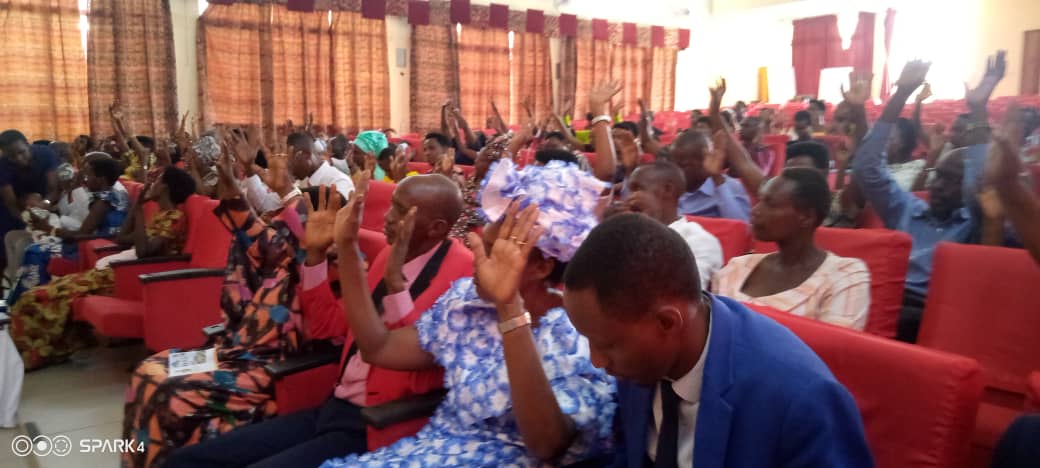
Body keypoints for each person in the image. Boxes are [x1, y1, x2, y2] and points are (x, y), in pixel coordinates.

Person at [163, 174, 475, 468]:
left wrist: (396, 287)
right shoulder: (387, 254)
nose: (388, 217)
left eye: (401, 211)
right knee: (187, 461)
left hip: (382, 421)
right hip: (334, 406)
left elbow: (417, 355)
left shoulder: (463, 276)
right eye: (391, 206)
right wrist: (315, 257)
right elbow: (331, 326)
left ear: (436, 228)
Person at [319, 159, 615, 467]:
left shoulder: (576, 331)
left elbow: (547, 445)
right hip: (436, 451)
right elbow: (378, 347)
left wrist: (510, 308)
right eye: (481, 244)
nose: (477, 258)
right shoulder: (469, 306)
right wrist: (347, 247)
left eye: (492, 250)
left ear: (542, 267)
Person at [561, 213, 873, 467]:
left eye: (606, 345)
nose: (597, 361)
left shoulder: (801, 401)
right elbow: (630, 455)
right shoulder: (640, 362)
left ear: (667, 322)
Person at [122, 150, 307, 468]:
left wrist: (288, 193)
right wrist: (232, 188)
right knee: (149, 371)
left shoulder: (322, 273)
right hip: (231, 352)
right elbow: (254, 235)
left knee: (169, 393)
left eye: (283, 230)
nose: (275, 235)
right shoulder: (280, 262)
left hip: (266, 369)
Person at [852, 57, 999, 343]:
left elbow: (981, 184)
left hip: (931, 312)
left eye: (953, 180)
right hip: (883, 301)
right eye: (938, 176)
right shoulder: (907, 209)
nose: (939, 186)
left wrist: (979, 110)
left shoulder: (974, 222)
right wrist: (901, 94)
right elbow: (867, 168)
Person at [9, 167, 196, 370]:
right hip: (123, 271)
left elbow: (144, 252)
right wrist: (137, 207)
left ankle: (30, 355)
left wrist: (139, 212)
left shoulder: (174, 216)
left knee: (41, 297)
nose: (152, 184)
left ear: (165, 187)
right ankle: (34, 350)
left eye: (157, 180)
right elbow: (122, 238)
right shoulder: (162, 215)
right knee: (47, 291)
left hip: (135, 277)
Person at [712, 168, 871, 330]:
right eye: (759, 201)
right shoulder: (737, 267)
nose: (755, 211)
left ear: (807, 217)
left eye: (770, 204)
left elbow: (836, 342)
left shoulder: (845, 275)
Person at [6, 157, 129, 304]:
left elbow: (81, 235)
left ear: (100, 179)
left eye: (88, 175)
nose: (84, 180)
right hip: (98, 244)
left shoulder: (103, 201)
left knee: (35, 251)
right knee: (37, 247)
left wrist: (49, 229)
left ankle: (31, 302)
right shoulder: (117, 195)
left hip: (94, 250)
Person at [612, 161, 723, 290]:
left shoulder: (698, 240)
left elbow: (686, 293)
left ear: (668, 190)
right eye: (630, 191)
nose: (629, 198)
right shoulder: (627, 234)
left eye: (638, 189)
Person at [0, 131, 61, 272]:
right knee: (10, 243)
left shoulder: (45, 154)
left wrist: (44, 204)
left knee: (47, 239)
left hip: (45, 199)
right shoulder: (2, 165)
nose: (18, 159)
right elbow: (10, 203)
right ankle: (14, 275)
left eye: (22, 152)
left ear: (28, 145)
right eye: (12, 156)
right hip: (15, 207)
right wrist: (27, 221)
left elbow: (54, 189)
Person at [669, 130, 752, 221]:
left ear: (704, 161)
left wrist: (717, 179)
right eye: (673, 165)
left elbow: (741, 225)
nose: (676, 171)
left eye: (684, 166)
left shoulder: (730, 186)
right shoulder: (669, 187)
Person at [288, 132, 355, 200]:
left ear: (305, 156)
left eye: (289, 161)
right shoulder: (302, 181)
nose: (288, 168)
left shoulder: (339, 181)